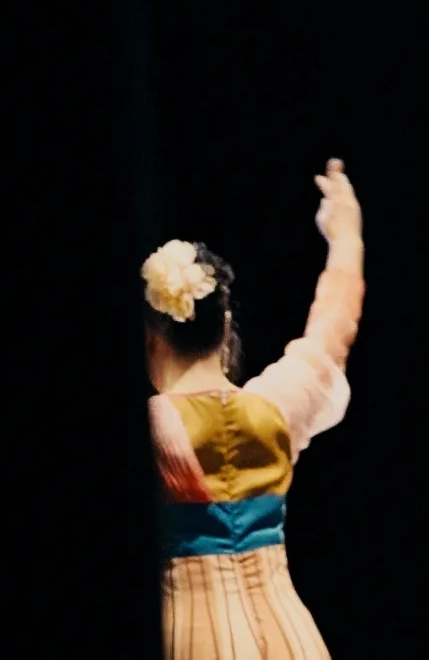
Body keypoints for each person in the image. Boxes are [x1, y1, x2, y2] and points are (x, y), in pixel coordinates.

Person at [146, 159, 366, 659]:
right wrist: (347, 236)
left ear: (151, 337)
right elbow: (333, 327)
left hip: (192, 640)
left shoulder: (153, 428)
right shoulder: (274, 407)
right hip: (293, 640)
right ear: (226, 330)